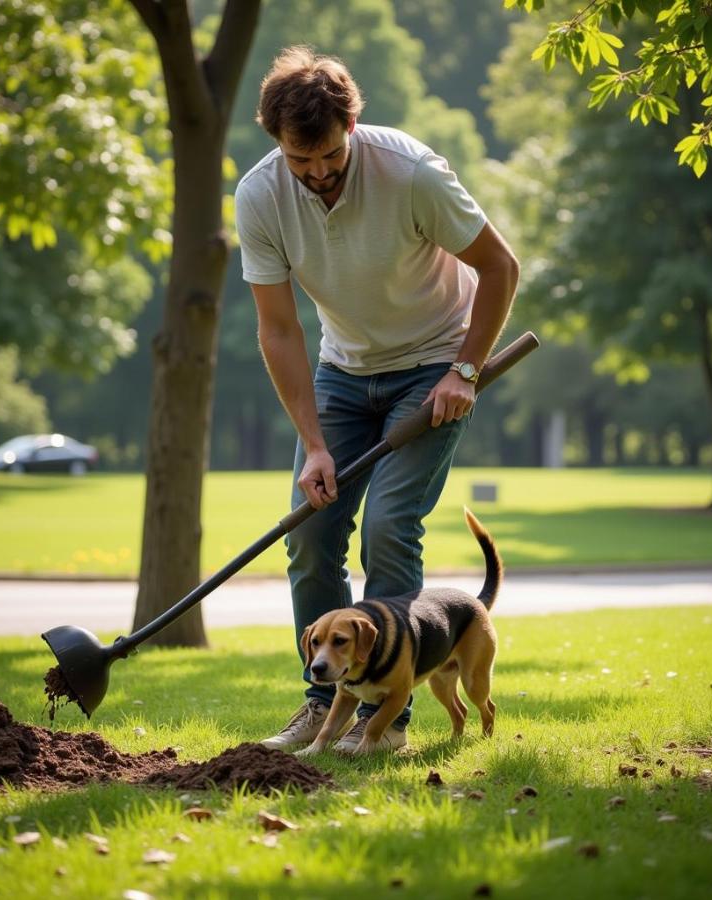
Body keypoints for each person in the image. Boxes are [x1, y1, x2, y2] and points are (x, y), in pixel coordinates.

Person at [234, 46, 519, 753]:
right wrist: (316, 445)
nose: (320, 174)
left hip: (432, 365)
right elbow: (278, 328)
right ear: (278, 144)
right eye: (303, 163)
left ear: (351, 127)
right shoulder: (260, 195)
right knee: (310, 530)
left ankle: (382, 722)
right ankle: (321, 702)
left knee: (391, 522)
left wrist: (466, 372)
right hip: (343, 370)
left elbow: (499, 267)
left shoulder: (410, 173)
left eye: (331, 155)